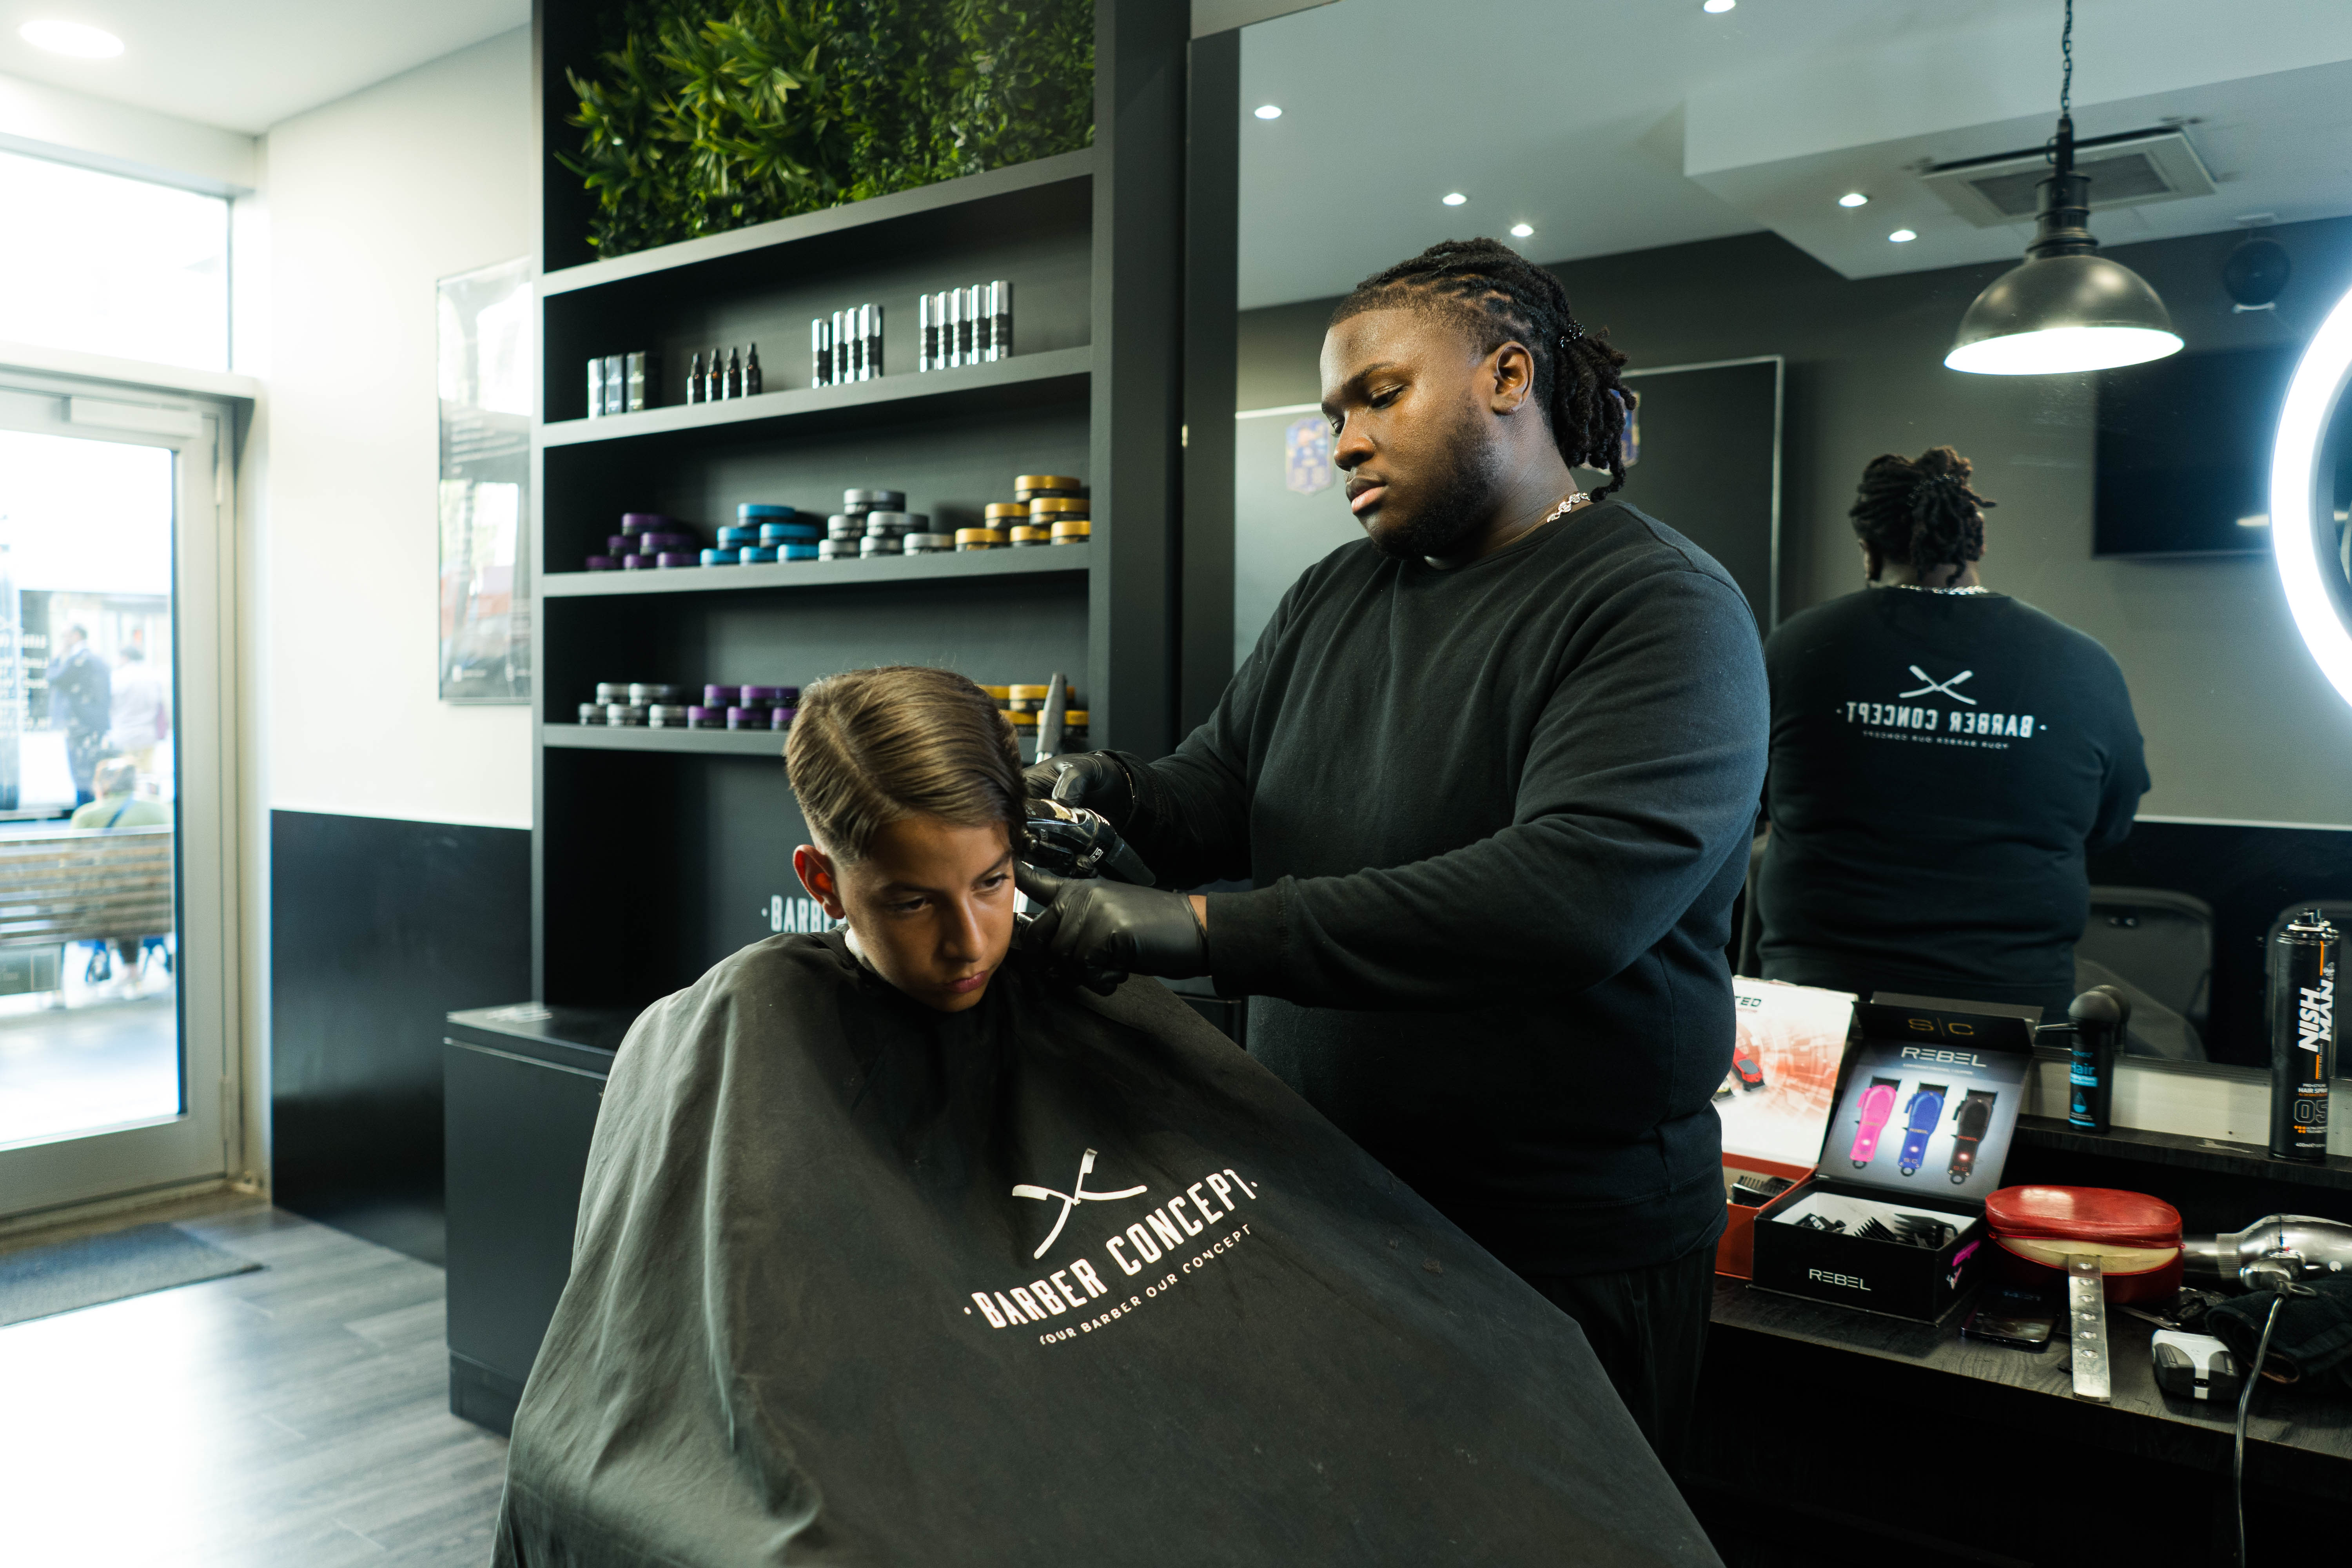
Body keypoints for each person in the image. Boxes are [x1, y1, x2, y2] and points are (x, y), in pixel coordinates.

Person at [489, 665, 1715, 1566]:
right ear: (822, 880)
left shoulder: (1075, 984)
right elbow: (664, 1409)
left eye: (990, 882)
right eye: (912, 902)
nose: (970, 939)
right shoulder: (745, 1031)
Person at [1015, 238, 1770, 1468]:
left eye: (1380, 394)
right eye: (1332, 415)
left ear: (1506, 376)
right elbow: (1222, 790)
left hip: (1552, 1245)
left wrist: (1201, 933)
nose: (1345, 441)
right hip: (1318, 1191)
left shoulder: (1656, 604)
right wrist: (1115, 792)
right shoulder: (1334, 593)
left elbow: (1567, 898)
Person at [1754, 446, 2150, 1018]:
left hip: (1818, 1004)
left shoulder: (1800, 646)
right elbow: (2110, 823)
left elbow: (1751, 799)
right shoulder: (2081, 663)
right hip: (2013, 1006)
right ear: (1976, 541)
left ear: (1868, 550)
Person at [69, 757, 171, 996]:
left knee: (114, 895)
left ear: (102, 786)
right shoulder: (159, 809)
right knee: (133, 895)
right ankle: (132, 969)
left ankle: (55, 991)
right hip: (164, 907)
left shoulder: (87, 816)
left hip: (109, 910)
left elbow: (71, 867)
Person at [46, 624, 110, 807]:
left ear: (76, 635)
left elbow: (55, 678)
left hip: (80, 725)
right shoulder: (98, 659)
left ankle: (85, 810)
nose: (63, 641)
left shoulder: (78, 660)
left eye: (65, 636)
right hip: (96, 724)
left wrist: (57, 657)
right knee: (94, 769)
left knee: (81, 771)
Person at [107, 642, 169, 780]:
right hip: (147, 733)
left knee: (126, 777)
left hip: (124, 733)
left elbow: (110, 704)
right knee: (147, 775)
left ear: (125, 657)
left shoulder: (118, 676)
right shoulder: (152, 675)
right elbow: (158, 704)